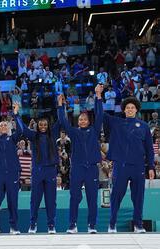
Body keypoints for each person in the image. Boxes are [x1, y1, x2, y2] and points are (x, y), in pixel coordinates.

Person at [103, 97, 155, 233]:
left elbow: (149, 149)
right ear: (124, 110)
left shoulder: (144, 126)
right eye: (127, 108)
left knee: (138, 197)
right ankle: (112, 224)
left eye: (132, 107)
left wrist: (151, 167)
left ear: (136, 110)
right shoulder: (117, 123)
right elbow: (100, 114)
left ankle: (138, 225)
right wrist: (98, 97)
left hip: (138, 166)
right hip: (121, 165)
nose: (130, 109)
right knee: (116, 196)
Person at [58, 85, 104, 234]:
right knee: (74, 197)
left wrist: (98, 96)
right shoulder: (74, 132)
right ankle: (72, 225)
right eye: (81, 119)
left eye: (85, 119)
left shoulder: (94, 130)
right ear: (78, 122)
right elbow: (64, 122)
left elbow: (100, 114)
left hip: (91, 168)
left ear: (89, 121)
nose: (83, 121)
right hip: (77, 168)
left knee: (92, 198)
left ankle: (92, 225)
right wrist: (60, 106)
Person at [16, 106, 61, 234]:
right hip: (37, 171)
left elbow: (61, 120)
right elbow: (23, 128)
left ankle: (51, 225)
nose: (42, 126)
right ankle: (32, 224)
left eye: (45, 124)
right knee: (35, 200)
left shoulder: (53, 135)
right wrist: (16, 114)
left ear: (48, 125)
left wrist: (60, 106)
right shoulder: (33, 136)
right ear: (38, 125)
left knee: (51, 200)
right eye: (40, 124)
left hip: (51, 171)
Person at [0, 103, 22, 235]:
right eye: (0, 125)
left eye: (5, 125)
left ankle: (14, 227)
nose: (2, 126)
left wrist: (16, 114)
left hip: (12, 174)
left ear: (8, 129)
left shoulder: (13, 139)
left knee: (12, 201)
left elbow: (20, 131)